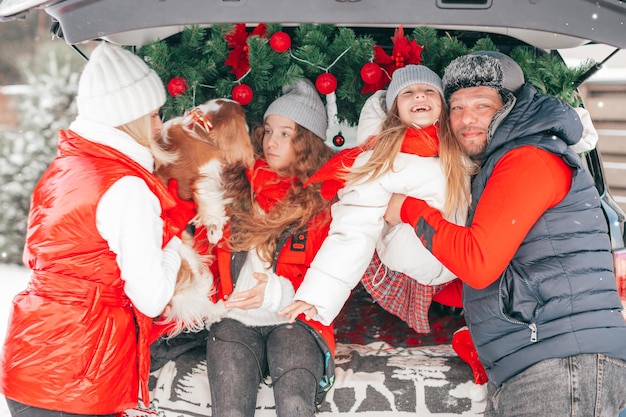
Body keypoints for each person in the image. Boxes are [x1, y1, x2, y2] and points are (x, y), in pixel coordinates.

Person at [383, 51, 626, 416]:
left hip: (561, 367)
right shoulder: (501, 164)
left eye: (483, 105)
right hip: (543, 364)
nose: (467, 119)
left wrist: (408, 209)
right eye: (457, 107)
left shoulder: (528, 158)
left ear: (510, 107)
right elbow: (506, 277)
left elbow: (479, 264)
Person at [0, 42, 195, 417]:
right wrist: (172, 243)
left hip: (30, 361)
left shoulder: (63, 169)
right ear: (129, 119)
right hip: (78, 375)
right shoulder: (127, 187)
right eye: (153, 115)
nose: (160, 126)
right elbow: (151, 297)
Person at [280, 65, 469, 333]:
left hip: (460, 260)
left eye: (429, 91)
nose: (419, 96)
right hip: (410, 268)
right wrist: (317, 295)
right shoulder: (381, 161)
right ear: (395, 111)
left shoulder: (459, 150)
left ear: (442, 104)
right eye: (408, 93)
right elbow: (353, 229)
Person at [205, 79, 336, 417]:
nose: (271, 142)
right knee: (230, 409)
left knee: (295, 405)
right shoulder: (234, 187)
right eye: (269, 131)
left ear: (305, 142)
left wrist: (276, 293)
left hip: (295, 318)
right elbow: (207, 257)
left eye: (285, 134)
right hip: (235, 316)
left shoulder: (321, 202)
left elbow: (327, 277)